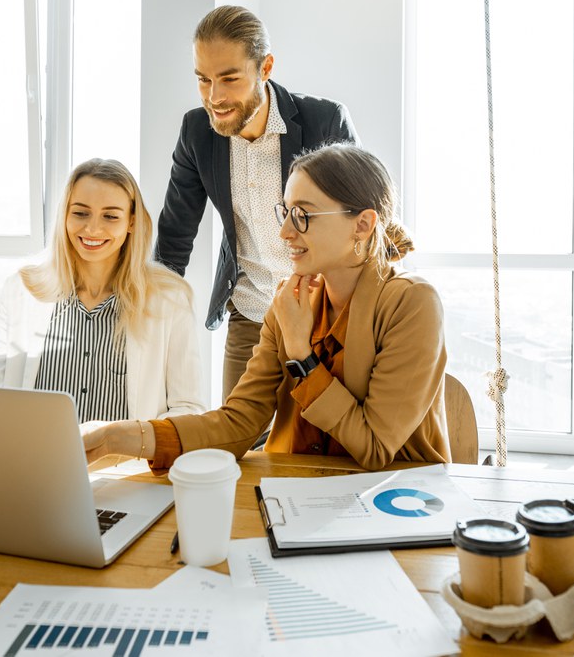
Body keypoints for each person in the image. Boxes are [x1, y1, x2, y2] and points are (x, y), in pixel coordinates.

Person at [87, 143, 450, 472]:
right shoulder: (288, 302)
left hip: (395, 505)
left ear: (363, 224)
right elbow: (239, 423)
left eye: (303, 215)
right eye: (286, 212)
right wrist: (118, 438)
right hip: (296, 495)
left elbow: (373, 447)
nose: (286, 232)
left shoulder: (412, 302)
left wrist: (301, 355)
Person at [155, 5, 359, 400]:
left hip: (326, 314)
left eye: (229, 78)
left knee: (324, 445)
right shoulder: (196, 132)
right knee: (240, 447)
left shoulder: (325, 121)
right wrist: (149, 319)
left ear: (265, 67)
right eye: (203, 80)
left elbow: (365, 225)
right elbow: (174, 238)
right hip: (250, 312)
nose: (214, 97)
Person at [0, 159, 205, 422]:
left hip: (128, 462)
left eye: (110, 216)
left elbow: (188, 409)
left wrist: (137, 442)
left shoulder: (169, 299)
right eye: (80, 213)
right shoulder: (23, 290)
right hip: (34, 459)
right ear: (65, 215)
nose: (92, 229)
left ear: (132, 222)